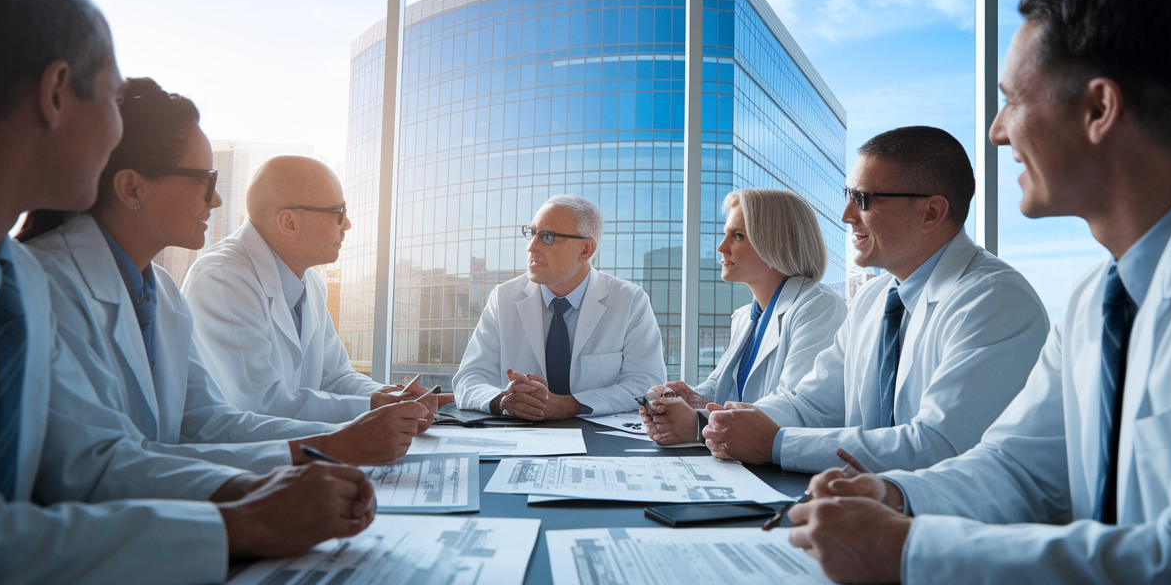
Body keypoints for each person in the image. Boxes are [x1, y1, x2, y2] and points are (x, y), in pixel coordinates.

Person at [0, 0, 376, 585]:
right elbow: (63, 481)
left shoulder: (27, 277)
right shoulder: (36, 279)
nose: (217, 198)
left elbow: (203, 422)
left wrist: (313, 455)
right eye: (109, 98)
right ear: (56, 93)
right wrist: (242, 516)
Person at [787, 0, 1171, 585]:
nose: (995, 133)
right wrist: (892, 497)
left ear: (1100, 109)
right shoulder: (1097, 300)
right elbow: (1017, 467)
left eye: (1011, 99)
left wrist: (911, 550)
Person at [21, 78, 426, 469]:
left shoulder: (161, 291)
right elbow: (96, 469)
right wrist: (332, 448)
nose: (215, 199)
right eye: (204, 180)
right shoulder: (44, 284)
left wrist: (369, 417)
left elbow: (206, 423)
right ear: (132, 189)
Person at [703, 126, 1049, 473]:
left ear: (931, 213)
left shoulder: (994, 300)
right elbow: (812, 404)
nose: (846, 215)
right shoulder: (872, 298)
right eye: (848, 194)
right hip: (866, 504)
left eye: (863, 200)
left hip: (946, 519)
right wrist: (730, 423)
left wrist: (777, 444)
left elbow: (938, 445)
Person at [182, 155, 446, 424]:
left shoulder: (312, 282)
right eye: (338, 212)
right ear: (289, 223)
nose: (347, 224)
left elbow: (335, 377)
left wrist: (390, 396)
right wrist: (372, 406)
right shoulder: (223, 279)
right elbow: (260, 404)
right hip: (249, 459)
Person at [640, 188, 846, 445]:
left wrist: (700, 423)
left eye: (737, 236)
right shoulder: (746, 317)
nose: (721, 247)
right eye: (726, 234)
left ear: (775, 244)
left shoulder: (818, 307)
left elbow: (799, 406)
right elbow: (724, 387)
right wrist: (691, 398)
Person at [453, 194, 667, 419]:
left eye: (547, 237)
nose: (531, 247)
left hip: (600, 441)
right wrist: (502, 400)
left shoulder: (630, 300)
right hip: (519, 436)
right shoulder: (503, 298)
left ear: (586, 250)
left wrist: (569, 405)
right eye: (532, 233)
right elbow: (468, 379)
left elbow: (647, 385)